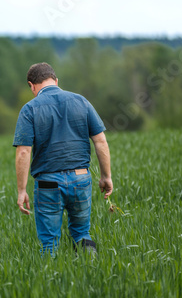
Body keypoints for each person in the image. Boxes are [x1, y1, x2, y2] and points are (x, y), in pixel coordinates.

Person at [13, 62, 113, 256]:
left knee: (49, 243)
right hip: (81, 178)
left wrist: (22, 190)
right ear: (56, 81)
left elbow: (24, 152)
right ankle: (92, 274)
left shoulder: (29, 109)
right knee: (82, 233)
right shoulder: (81, 101)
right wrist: (106, 176)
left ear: (31, 85)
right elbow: (100, 141)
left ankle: (51, 283)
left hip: (48, 183)